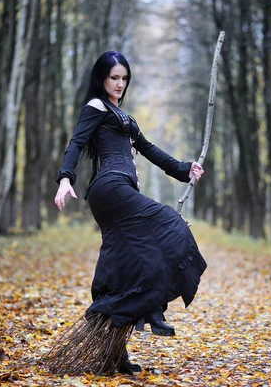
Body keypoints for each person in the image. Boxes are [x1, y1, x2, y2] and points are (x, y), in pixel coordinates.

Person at [42, 51, 208, 376]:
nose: (119, 84)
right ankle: (145, 309)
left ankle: (113, 353)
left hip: (116, 193)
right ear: (101, 78)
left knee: (126, 270)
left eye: (124, 78)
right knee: (169, 225)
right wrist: (65, 179)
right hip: (112, 188)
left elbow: (149, 150)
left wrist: (185, 169)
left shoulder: (123, 117)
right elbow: (76, 143)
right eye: (113, 77)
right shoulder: (96, 107)